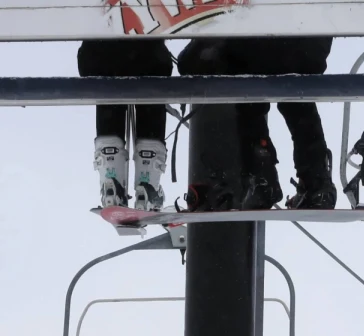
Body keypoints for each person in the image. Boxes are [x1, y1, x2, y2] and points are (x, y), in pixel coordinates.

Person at [177, 36, 337, 212]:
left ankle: (259, 174)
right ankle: (316, 180)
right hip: (309, 46)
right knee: (295, 90)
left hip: (257, 46)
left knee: (235, 72)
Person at [78, 40, 172, 210]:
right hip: (148, 59)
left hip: (98, 59)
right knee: (151, 75)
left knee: (106, 70)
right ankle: (148, 180)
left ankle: (111, 174)